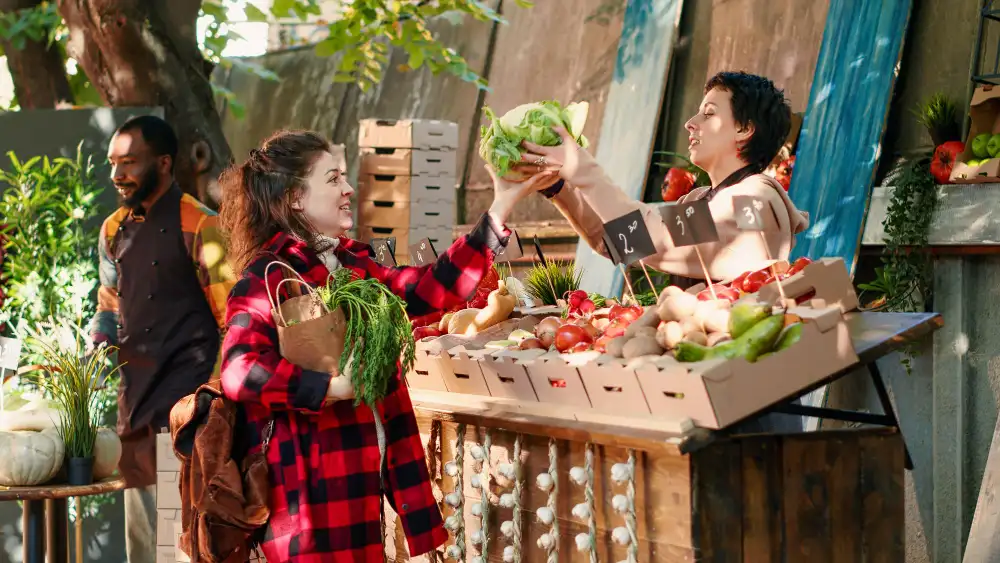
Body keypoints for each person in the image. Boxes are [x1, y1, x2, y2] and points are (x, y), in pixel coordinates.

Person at [217, 129, 551, 562]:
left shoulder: (352, 266)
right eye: (334, 178)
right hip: (308, 511)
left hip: (356, 495)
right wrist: (332, 388)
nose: (349, 188)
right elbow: (240, 371)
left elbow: (431, 288)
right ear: (295, 198)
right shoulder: (268, 279)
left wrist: (500, 206)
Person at [87, 115, 236, 563]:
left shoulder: (203, 227)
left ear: (165, 162)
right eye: (113, 163)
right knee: (142, 542)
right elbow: (109, 302)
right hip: (134, 403)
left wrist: (211, 402)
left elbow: (231, 320)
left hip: (188, 408)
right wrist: (99, 340)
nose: (117, 174)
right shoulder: (113, 230)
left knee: (182, 542)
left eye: (130, 162)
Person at [523, 71, 810, 286]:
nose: (690, 123)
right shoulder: (702, 199)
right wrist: (558, 188)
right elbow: (619, 242)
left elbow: (654, 239)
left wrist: (583, 170)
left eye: (708, 114)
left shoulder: (754, 198)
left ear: (744, 129)